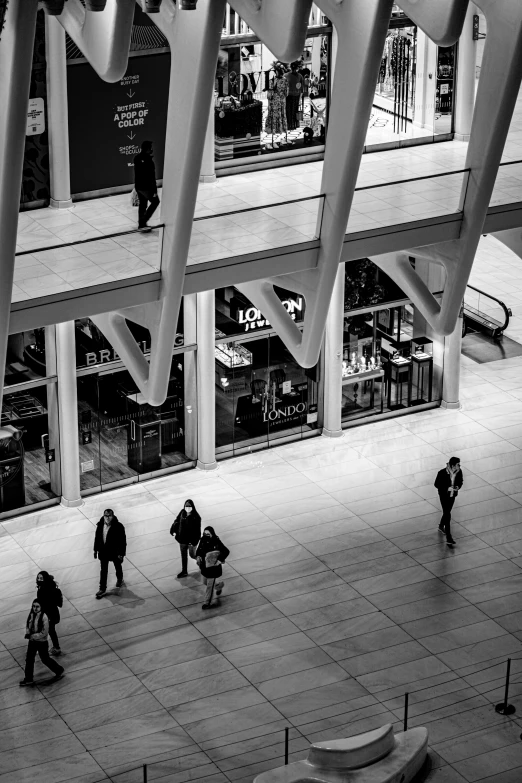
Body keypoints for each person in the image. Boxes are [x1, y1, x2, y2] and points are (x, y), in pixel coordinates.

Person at [19, 600, 65, 686]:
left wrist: (34, 636)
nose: (35, 608)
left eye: (37, 607)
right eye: (34, 606)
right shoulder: (31, 615)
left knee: (45, 659)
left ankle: (58, 670)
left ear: (41, 607)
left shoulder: (44, 617)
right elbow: (28, 626)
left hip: (41, 642)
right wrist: (28, 634)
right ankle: (28, 679)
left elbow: (44, 632)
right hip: (32, 642)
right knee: (29, 660)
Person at [93, 509, 127, 599]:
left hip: (114, 552)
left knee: (117, 566)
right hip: (103, 552)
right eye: (106, 516)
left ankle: (120, 579)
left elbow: (122, 541)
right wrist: (95, 550)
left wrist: (121, 553)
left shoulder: (118, 526)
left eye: (109, 516)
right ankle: (102, 588)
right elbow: (97, 538)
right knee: (103, 571)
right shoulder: (100, 525)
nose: (107, 518)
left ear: (113, 516)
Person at [195, 526, 230, 610]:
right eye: (205, 533)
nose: (206, 535)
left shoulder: (216, 541)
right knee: (205, 582)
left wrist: (219, 560)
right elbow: (198, 551)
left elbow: (226, 551)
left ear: (212, 534)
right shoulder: (202, 540)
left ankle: (207, 602)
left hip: (213, 568)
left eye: (208, 534)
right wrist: (198, 556)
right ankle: (219, 586)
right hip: (204, 567)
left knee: (209, 586)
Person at [434, 457, 463, 546]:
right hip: (443, 496)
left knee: (447, 512)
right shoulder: (442, 473)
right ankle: (449, 537)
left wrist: (457, 487)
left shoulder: (459, 471)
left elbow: (460, 481)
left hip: (452, 496)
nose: (459, 465)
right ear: (453, 465)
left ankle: (441, 526)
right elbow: (436, 484)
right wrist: (447, 488)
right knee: (447, 514)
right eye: (458, 464)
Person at [170, 499, 201, 579]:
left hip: (191, 541)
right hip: (182, 539)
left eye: (189, 506)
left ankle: (201, 562)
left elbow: (197, 532)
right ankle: (184, 571)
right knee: (183, 555)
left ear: (192, 507)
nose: (188, 507)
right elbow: (176, 521)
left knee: (192, 555)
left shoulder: (196, 517)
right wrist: (173, 529)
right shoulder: (182, 513)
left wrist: (193, 542)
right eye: (186, 506)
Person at [133, 140, 160, 232]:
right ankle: (143, 221)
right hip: (147, 187)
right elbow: (152, 177)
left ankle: (141, 225)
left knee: (143, 204)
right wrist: (155, 191)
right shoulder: (149, 161)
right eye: (150, 148)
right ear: (147, 149)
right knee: (155, 201)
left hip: (138, 186)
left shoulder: (136, 158)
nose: (152, 149)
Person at [36, 571, 63, 656]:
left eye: (41, 578)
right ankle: (55, 647)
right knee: (50, 631)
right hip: (51, 614)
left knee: (49, 631)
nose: (39, 580)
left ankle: (56, 648)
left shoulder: (43, 591)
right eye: (38, 578)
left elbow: (44, 604)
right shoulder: (49, 587)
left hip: (49, 615)